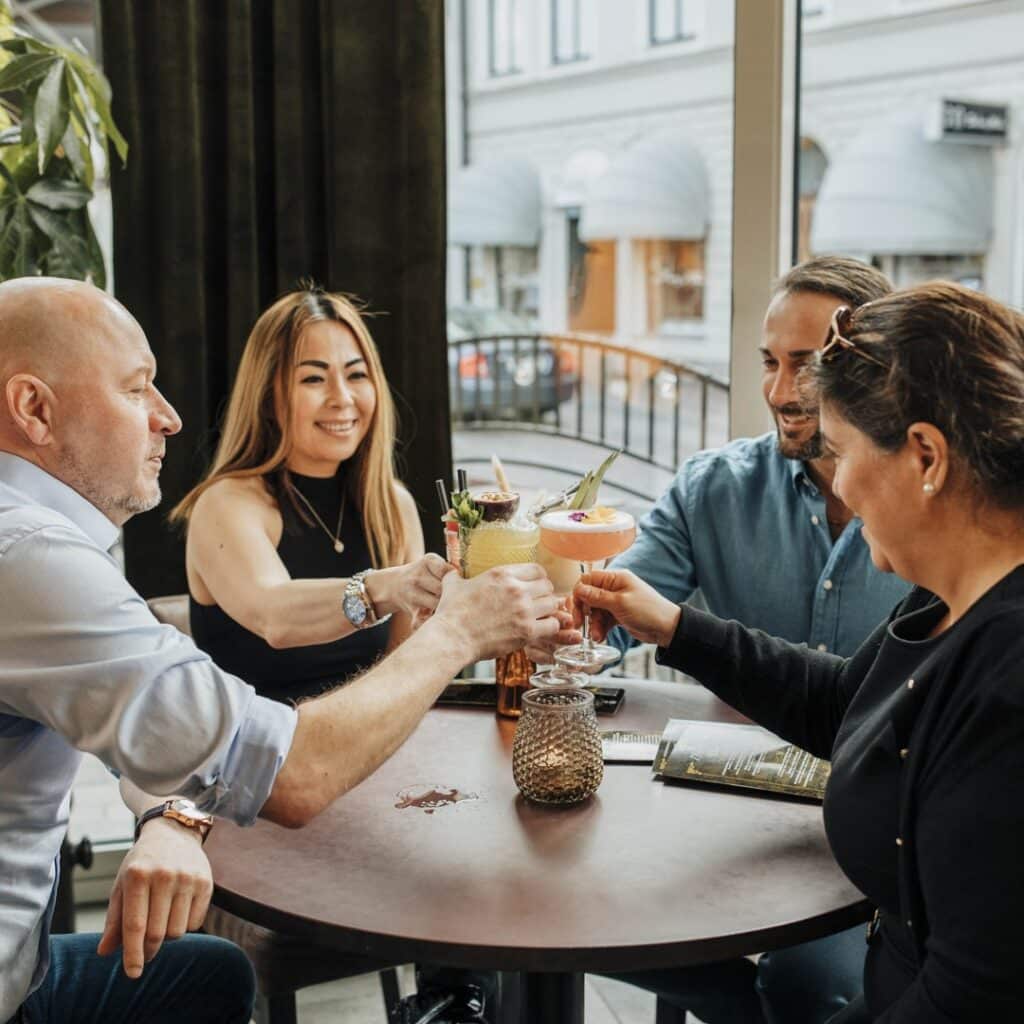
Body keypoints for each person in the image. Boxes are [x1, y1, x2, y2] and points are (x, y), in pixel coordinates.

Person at [0, 277, 560, 1024]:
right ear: (34, 408)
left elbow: (129, 710)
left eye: (357, 374)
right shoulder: (36, 556)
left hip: (314, 780)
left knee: (461, 868)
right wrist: (451, 621)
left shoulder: (386, 500)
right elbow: (273, 655)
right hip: (266, 793)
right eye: (138, 391)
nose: (167, 417)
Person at [575, 281, 1024, 1023]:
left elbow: (969, 1000)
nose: (836, 479)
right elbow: (848, 703)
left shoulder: (1008, 687)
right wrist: (676, 627)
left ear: (925, 457)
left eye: (842, 451)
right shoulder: (953, 596)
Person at [532, 256, 912, 1024]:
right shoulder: (713, 486)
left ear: (876, 374)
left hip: (871, 843)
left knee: (815, 989)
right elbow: (604, 621)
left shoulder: (928, 518)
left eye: (804, 366)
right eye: (770, 363)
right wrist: (559, 609)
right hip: (721, 823)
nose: (777, 392)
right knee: (561, 910)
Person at [170, 287, 446, 704]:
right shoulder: (226, 503)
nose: (343, 398)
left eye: (356, 375)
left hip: (364, 749)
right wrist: (390, 586)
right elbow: (276, 616)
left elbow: (404, 671)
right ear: (268, 397)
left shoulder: (392, 504)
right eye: (313, 378)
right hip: (256, 756)